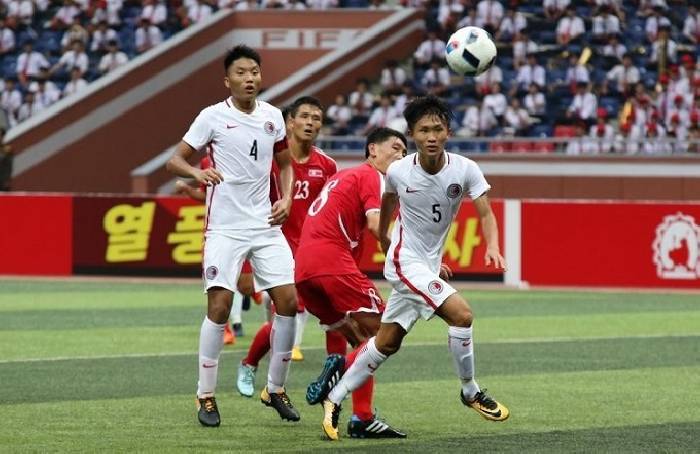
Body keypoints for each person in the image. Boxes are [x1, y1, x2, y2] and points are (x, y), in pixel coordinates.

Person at [309, 96, 510, 441]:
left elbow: (486, 213)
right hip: (404, 262)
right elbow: (387, 205)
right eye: (423, 130)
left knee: (386, 342)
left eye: (437, 129)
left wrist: (492, 245)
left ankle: (335, 396)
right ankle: (470, 391)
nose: (431, 136)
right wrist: (387, 242)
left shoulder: (465, 169)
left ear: (447, 132)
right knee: (462, 316)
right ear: (414, 135)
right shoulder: (400, 171)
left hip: (427, 266)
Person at [166, 45, 300, 427]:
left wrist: (287, 197)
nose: (249, 78)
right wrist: (197, 174)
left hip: (265, 224)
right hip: (224, 227)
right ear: (228, 80)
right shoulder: (212, 116)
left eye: (254, 71)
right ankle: (205, 395)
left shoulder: (274, 116)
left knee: (288, 301)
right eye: (241, 72)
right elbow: (174, 159)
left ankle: (275, 387)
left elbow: (285, 162)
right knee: (220, 308)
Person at [300, 127, 408, 440]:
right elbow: (377, 226)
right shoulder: (373, 177)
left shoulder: (343, 177)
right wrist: (405, 258)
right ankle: (338, 378)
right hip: (330, 263)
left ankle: (363, 417)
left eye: (404, 151)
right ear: (372, 149)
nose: (401, 155)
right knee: (387, 332)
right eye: (396, 147)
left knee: (361, 340)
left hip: (304, 271)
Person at [236, 96, 348, 397]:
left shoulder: (327, 165)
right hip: (274, 248)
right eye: (306, 117)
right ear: (289, 122)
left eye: (317, 118)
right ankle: (249, 364)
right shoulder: (269, 162)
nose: (311, 123)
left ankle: (332, 380)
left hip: (314, 251)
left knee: (336, 315)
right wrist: (246, 261)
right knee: (289, 311)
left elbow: (333, 210)